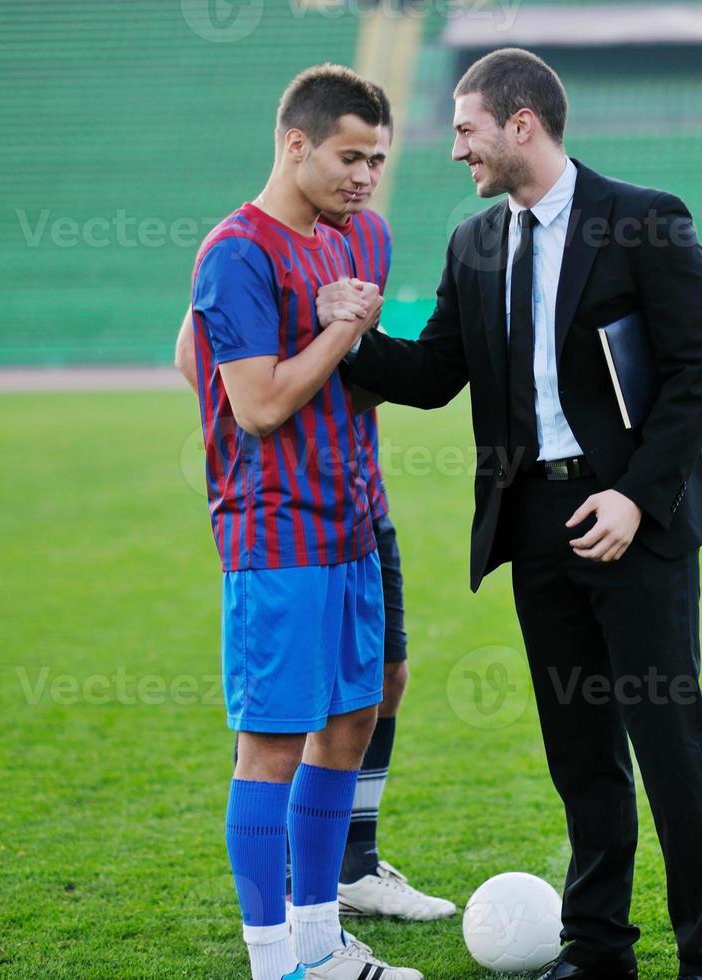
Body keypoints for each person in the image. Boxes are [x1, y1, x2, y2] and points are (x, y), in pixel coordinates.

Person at [323, 47, 702, 980]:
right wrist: (348, 336)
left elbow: (695, 375)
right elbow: (435, 375)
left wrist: (635, 496)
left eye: (466, 130)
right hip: (536, 528)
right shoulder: (475, 243)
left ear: (523, 124)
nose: (455, 150)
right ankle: (597, 949)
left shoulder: (644, 219)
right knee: (579, 753)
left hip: (637, 526)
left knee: (672, 752)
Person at [176, 84, 457, 925]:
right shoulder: (239, 248)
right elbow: (215, 370)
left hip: (358, 509)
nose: (368, 175)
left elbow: (358, 372)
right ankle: (288, 930)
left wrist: (342, 379)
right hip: (280, 523)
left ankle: (348, 874)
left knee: (375, 689)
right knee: (277, 729)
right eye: (351, 157)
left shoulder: (366, 233)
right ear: (296, 146)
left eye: (379, 158)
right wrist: (255, 403)